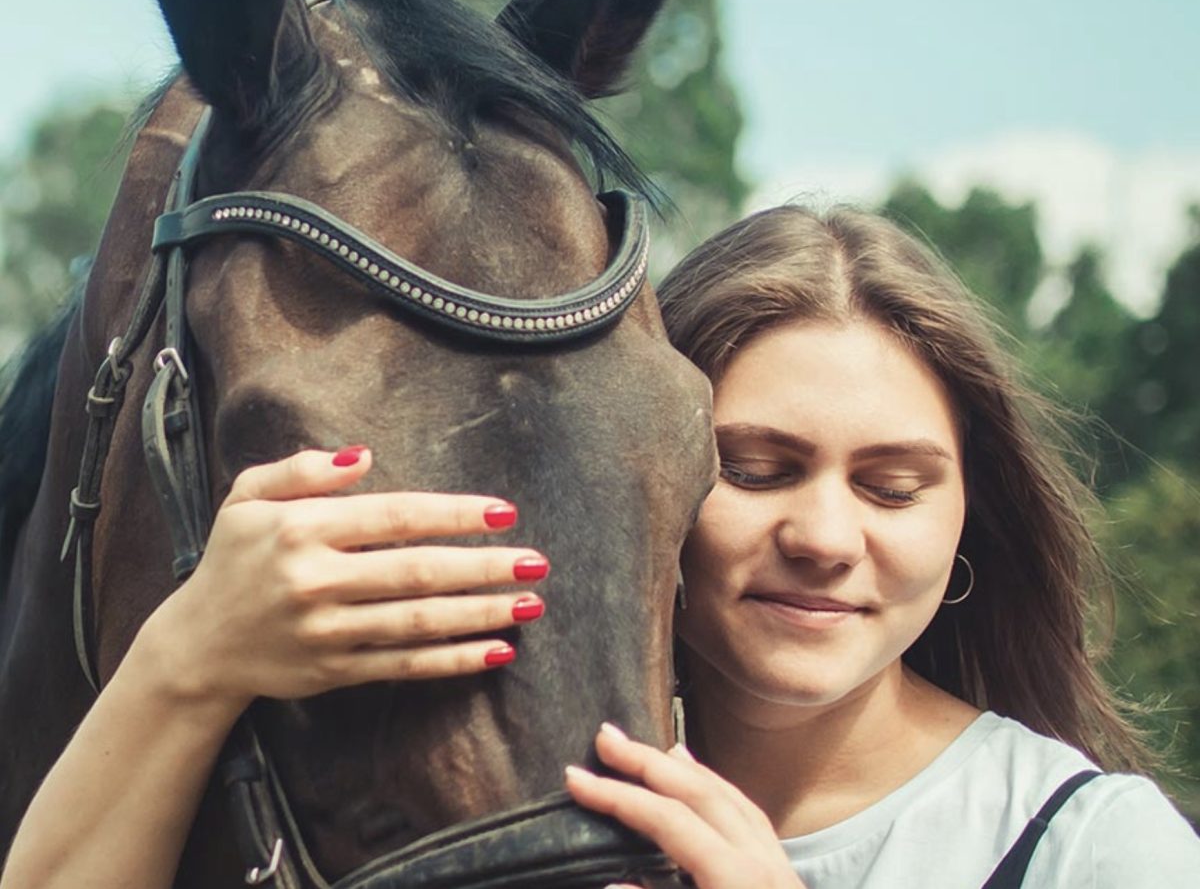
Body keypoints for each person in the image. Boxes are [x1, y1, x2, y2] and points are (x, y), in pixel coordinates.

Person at [2, 204, 1197, 889]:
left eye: (893, 486)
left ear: (963, 520)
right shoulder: (501, 780)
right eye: (758, 467)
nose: (826, 536)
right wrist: (188, 658)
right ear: (644, 478)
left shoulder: (1093, 849)